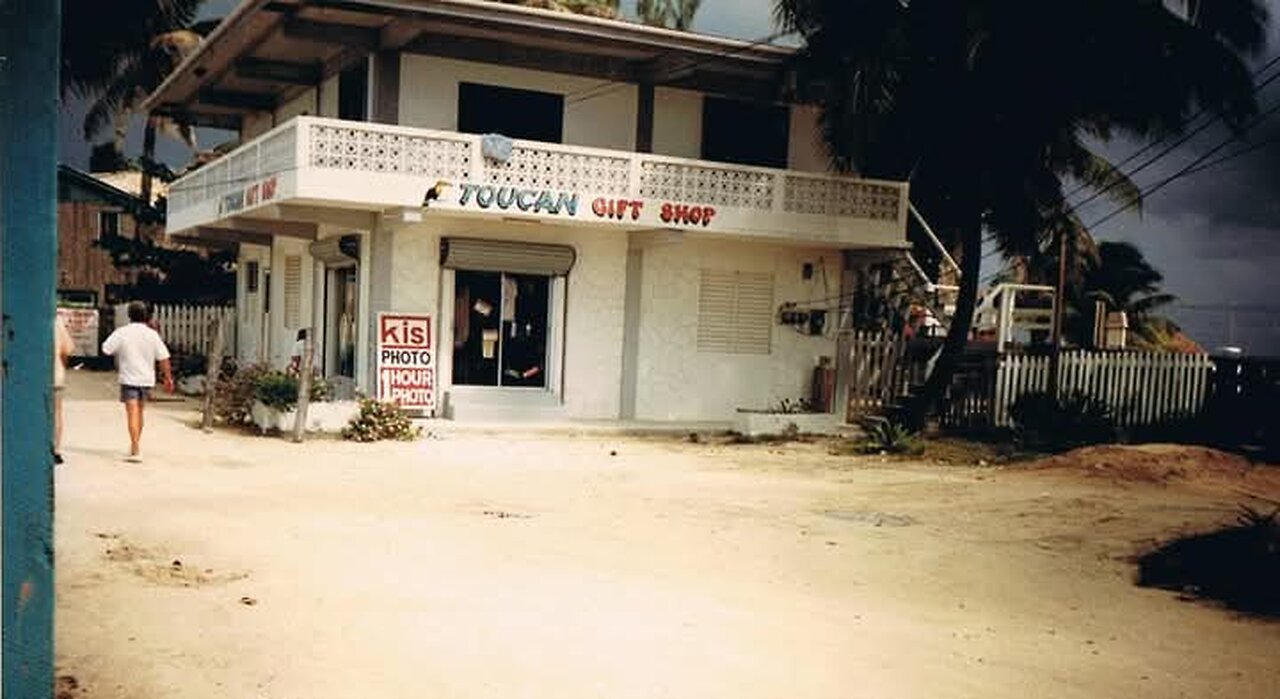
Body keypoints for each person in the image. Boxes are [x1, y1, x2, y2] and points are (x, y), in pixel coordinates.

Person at [102, 301, 174, 462]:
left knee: (132, 413)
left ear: (129, 315)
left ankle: (135, 449)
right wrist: (168, 378)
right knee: (140, 413)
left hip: (129, 377)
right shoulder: (152, 334)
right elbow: (164, 358)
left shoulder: (122, 332)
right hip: (146, 379)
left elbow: (106, 349)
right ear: (147, 316)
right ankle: (135, 445)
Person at [52, 313, 75, 465]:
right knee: (56, 413)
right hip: (55, 375)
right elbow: (68, 349)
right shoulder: (56, 321)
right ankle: (55, 449)